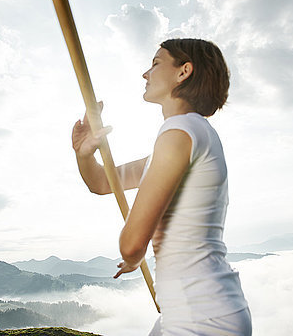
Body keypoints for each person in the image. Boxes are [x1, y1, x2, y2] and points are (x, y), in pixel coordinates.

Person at [72, 38, 252, 335]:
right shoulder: (187, 135)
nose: (146, 74)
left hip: (201, 318)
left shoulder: (178, 133)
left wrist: (133, 254)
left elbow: (131, 245)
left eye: (155, 63)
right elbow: (103, 183)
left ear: (184, 72)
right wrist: (84, 154)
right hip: (200, 311)